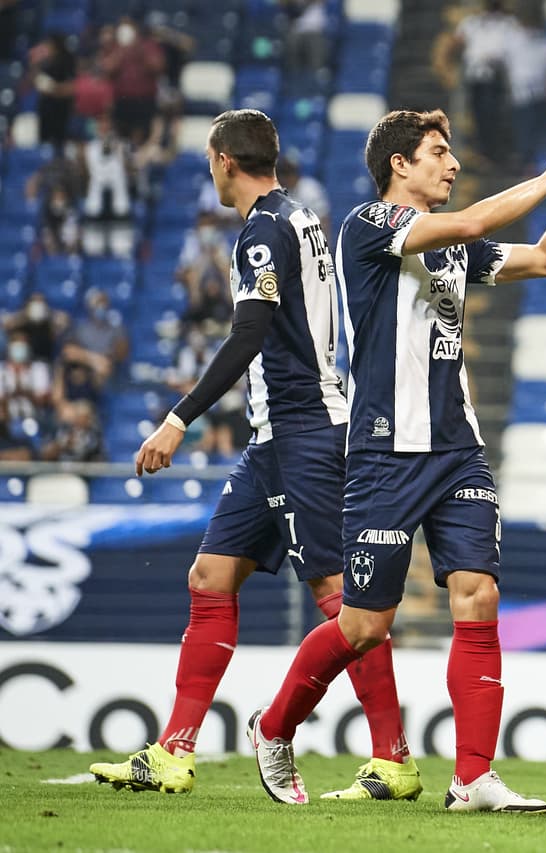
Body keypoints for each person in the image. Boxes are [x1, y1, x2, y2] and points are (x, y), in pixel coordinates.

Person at [245, 99, 546, 810]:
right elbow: (471, 219)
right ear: (400, 164)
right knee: (364, 623)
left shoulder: (448, 250)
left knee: (480, 596)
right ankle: (274, 725)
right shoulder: (368, 226)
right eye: (440, 153)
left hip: (457, 450)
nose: (455, 163)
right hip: (384, 452)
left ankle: (472, 777)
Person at [89, 109, 414, 801]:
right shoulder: (300, 217)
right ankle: (173, 750)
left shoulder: (263, 230)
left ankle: (392, 757)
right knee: (209, 577)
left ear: (225, 161)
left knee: (339, 599)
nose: (210, 171)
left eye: (210, 160)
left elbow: (248, 335)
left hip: (306, 432)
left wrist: (178, 418)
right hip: (277, 437)